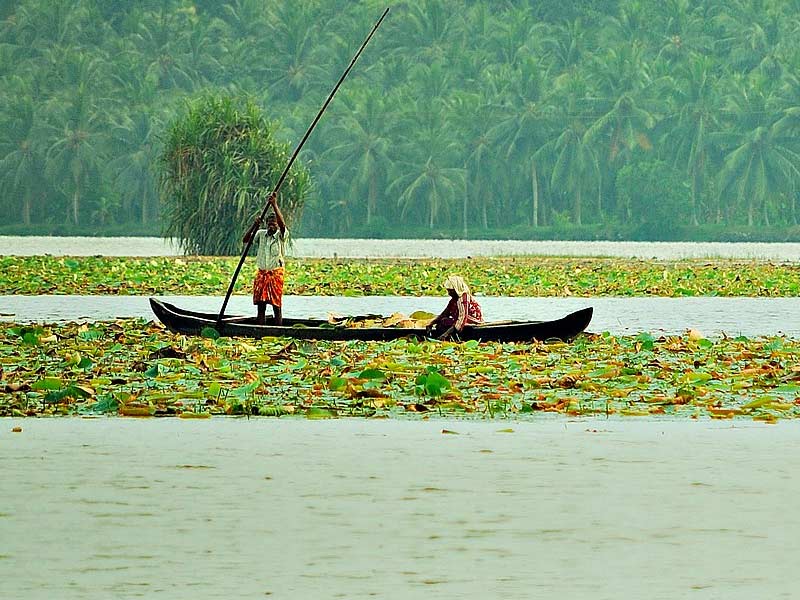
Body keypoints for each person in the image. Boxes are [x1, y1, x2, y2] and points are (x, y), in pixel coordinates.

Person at [243, 194, 287, 325]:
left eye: (273, 224)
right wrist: (254, 225)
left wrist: (274, 204)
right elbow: (245, 240)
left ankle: (278, 330)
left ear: (277, 226)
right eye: (269, 224)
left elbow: (283, 224)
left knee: (276, 305)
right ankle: (260, 329)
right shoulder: (261, 234)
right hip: (262, 274)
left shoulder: (281, 235)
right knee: (261, 305)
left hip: (275, 274)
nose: (271, 226)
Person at [426, 275, 483, 340]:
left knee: (445, 323)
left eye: (451, 291)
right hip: (459, 320)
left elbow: (462, 318)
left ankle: (451, 337)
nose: (449, 293)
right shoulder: (454, 300)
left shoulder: (463, 298)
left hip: (471, 321)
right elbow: (445, 313)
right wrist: (431, 323)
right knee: (442, 321)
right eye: (448, 291)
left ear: (456, 289)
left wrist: (445, 334)